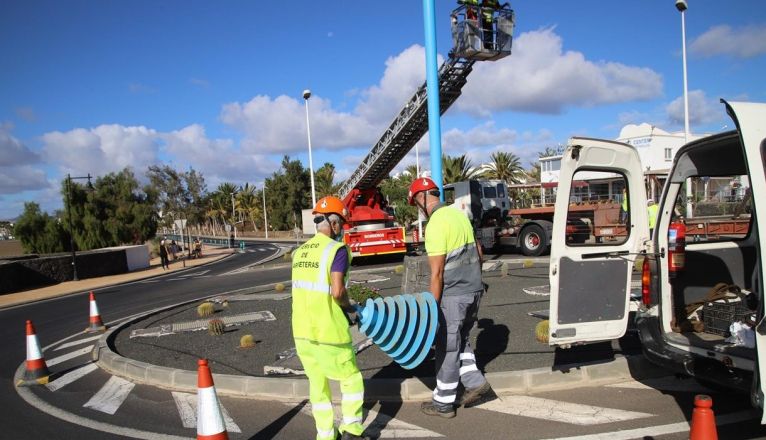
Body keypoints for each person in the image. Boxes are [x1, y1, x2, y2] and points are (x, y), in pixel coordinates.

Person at [408, 177, 495, 418]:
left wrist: (430, 309)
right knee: (463, 340)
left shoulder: (435, 224)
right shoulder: (459, 214)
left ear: (421, 199)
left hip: (454, 295)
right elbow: (479, 252)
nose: (418, 208)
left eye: (416, 203)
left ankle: (443, 403)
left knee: (447, 346)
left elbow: (436, 274)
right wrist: (476, 281)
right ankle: (476, 384)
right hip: (474, 290)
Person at [291, 196, 369, 440]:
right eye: (342, 225)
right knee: (351, 379)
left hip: (302, 333)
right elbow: (337, 291)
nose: (342, 230)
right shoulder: (337, 250)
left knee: (318, 386)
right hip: (329, 331)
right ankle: (353, 430)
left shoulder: (300, 252)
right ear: (334, 224)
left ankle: (325, 434)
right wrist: (351, 309)